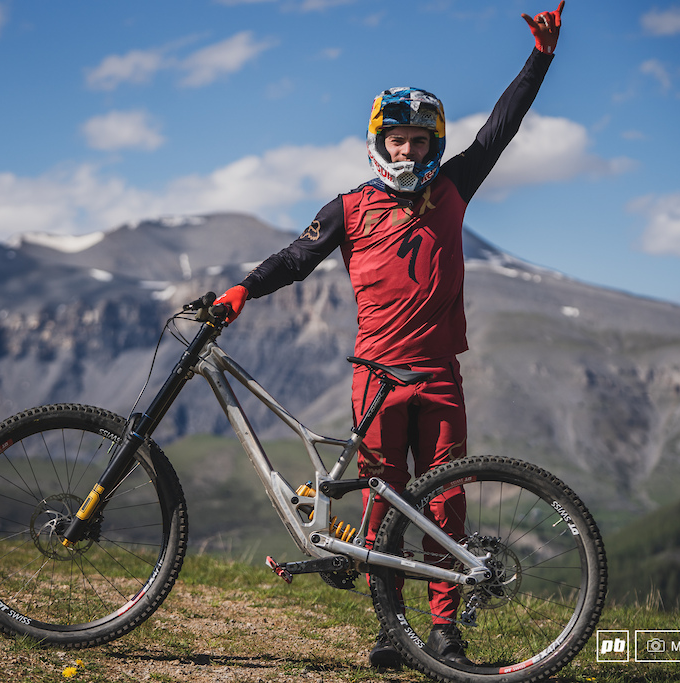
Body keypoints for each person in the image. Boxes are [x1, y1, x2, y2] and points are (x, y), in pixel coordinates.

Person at [215, 2, 565, 670]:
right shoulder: (349, 208)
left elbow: (503, 125)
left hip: (438, 376)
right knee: (385, 503)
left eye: (420, 140)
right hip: (375, 377)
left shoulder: (457, 185)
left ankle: (445, 633)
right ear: (380, 140)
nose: (408, 148)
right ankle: (389, 627)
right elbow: (294, 259)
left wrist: (540, 58)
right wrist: (241, 290)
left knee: (444, 503)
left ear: (435, 144)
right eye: (398, 139)